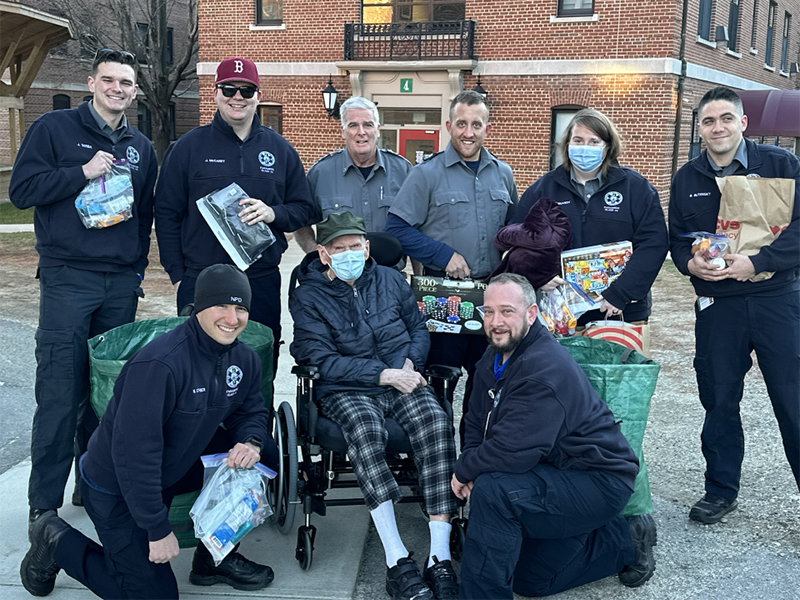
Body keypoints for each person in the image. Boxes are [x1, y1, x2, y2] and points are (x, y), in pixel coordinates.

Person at [20, 264, 279, 599]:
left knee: (264, 453)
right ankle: (56, 540)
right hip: (117, 487)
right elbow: (134, 456)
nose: (232, 319)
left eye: (240, 308)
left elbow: (251, 410)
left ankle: (214, 559)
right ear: (199, 307)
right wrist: (158, 529)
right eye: (222, 306)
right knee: (153, 596)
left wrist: (252, 441)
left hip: (175, 466)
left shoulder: (243, 359)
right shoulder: (159, 365)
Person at [9, 48, 157, 523]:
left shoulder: (141, 146)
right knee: (58, 394)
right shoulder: (52, 130)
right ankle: (43, 507)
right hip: (68, 280)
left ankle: (90, 485)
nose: (118, 88)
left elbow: (144, 215)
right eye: (109, 80)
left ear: (135, 91)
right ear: (91, 83)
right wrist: (81, 173)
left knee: (104, 396)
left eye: (126, 83)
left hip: (119, 284)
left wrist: (136, 271)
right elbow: (22, 191)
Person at [452, 273, 655, 600]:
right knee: (528, 580)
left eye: (506, 311)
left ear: (531, 314)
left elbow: (512, 451)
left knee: (494, 491)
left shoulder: (543, 367)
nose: (495, 321)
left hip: (596, 480)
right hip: (552, 470)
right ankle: (622, 538)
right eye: (488, 312)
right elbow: (475, 418)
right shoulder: (493, 357)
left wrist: (466, 471)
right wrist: (470, 459)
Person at [290, 212, 459, 600]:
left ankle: (439, 556)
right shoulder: (309, 294)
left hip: (403, 377)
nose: (350, 253)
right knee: (366, 432)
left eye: (356, 246)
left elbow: (418, 328)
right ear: (323, 253)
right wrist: (383, 374)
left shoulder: (391, 279)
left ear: (367, 248)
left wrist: (411, 364)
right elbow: (316, 355)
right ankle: (396, 559)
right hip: (347, 387)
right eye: (340, 248)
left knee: (436, 422)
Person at [668, 86, 800, 524]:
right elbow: (675, 241)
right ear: (700, 129)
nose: (717, 127)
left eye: (726, 118)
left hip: (776, 299)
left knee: (792, 399)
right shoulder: (687, 177)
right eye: (708, 121)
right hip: (717, 306)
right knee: (719, 399)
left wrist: (759, 261)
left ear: (743, 123)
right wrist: (690, 265)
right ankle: (721, 491)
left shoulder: (781, 165)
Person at [154, 57, 317, 371]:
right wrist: (178, 272)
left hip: (260, 281)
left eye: (247, 90)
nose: (237, 96)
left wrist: (272, 213)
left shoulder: (280, 150)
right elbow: (166, 212)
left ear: (258, 95)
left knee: (258, 365)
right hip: (202, 278)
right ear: (216, 92)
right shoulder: (188, 148)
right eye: (229, 88)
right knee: (195, 370)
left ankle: (257, 421)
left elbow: (304, 209)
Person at [385, 90, 518, 443]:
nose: (468, 132)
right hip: (443, 298)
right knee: (439, 385)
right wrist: (442, 255)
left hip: (490, 297)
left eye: (476, 124)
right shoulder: (425, 175)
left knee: (488, 385)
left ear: (487, 128)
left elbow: (515, 233)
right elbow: (396, 229)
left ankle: (475, 459)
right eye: (461, 124)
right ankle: (440, 463)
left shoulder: (503, 174)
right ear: (449, 126)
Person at [510, 108, 668, 335]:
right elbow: (516, 239)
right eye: (578, 140)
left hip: (619, 312)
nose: (585, 147)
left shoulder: (636, 188)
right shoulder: (544, 189)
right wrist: (538, 273)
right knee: (561, 371)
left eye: (594, 141)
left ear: (608, 147)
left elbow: (654, 244)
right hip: (560, 314)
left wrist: (621, 294)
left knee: (618, 371)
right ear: (567, 144)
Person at [294, 96, 412, 253]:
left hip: (390, 272)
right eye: (353, 125)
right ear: (343, 132)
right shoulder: (320, 174)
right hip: (339, 274)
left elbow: (417, 226)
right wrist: (315, 256)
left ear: (377, 130)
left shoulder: (403, 171)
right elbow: (300, 221)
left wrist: (418, 275)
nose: (361, 132)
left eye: (368, 125)